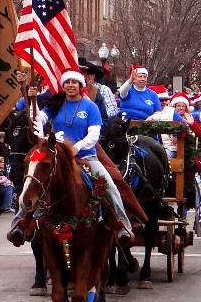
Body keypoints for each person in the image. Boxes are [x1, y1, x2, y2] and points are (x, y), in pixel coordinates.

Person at [28, 70, 133, 245]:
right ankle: (22, 222)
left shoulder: (90, 106)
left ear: (80, 85)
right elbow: (38, 121)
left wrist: (76, 147)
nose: (70, 85)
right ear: (62, 86)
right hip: (59, 157)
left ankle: (123, 225)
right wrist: (33, 101)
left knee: (109, 185)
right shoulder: (57, 103)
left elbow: (94, 134)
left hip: (85, 156)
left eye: (74, 82)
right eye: (67, 82)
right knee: (34, 179)